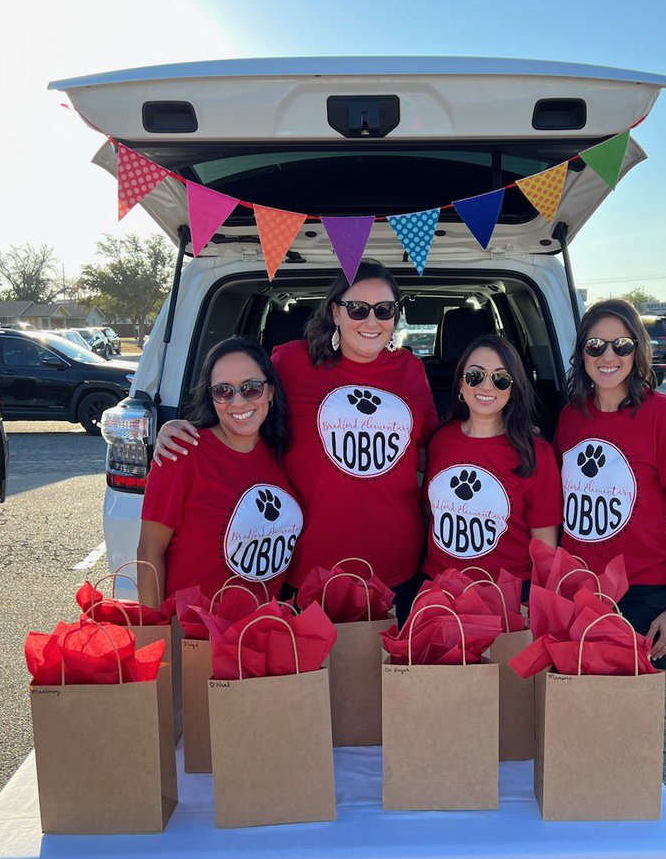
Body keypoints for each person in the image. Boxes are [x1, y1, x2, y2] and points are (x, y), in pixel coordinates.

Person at [154, 262, 438, 619]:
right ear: (335, 311)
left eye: (384, 310)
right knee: (314, 675)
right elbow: (244, 404)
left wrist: (515, 429)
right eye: (357, 309)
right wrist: (181, 426)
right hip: (308, 566)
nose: (371, 321)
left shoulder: (411, 371)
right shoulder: (290, 362)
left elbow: (432, 449)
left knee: (385, 672)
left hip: (396, 561)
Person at [553, 299, 666, 669]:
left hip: (643, 594)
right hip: (578, 590)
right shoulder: (570, 417)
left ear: (637, 350)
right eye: (595, 345)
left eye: (621, 345)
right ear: (582, 352)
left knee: (633, 721)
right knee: (573, 712)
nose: (608, 355)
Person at [137, 336, 301, 609]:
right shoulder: (182, 452)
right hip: (195, 637)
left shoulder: (283, 454)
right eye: (223, 391)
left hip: (262, 631)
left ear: (270, 392)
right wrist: (155, 633)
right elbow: (149, 551)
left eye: (251, 388)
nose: (238, 402)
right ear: (211, 397)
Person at [422, 335, 561, 597]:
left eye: (500, 378)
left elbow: (544, 545)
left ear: (513, 388)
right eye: (475, 376)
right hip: (440, 591)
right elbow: (430, 511)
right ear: (461, 384)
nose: (487, 386)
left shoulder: (535, 453)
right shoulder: (441, 440)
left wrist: (539, 605)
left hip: (506, 598)